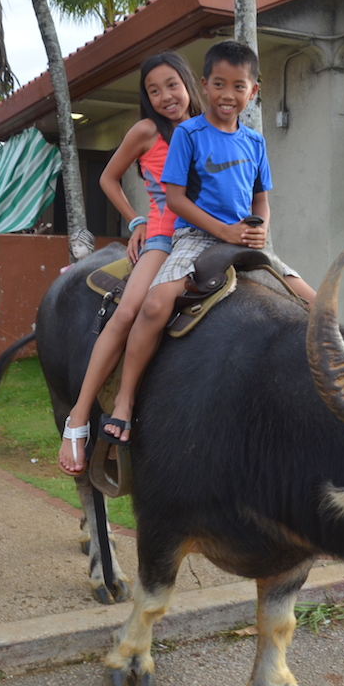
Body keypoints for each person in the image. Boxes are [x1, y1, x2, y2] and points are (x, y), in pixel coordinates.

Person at [103, 40, 315, 444]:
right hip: (194, 236)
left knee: (315, 300)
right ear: (203, 86)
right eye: (219, 84)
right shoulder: (188, 133)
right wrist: (225, 232)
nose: (228, 95)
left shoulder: (254, 142)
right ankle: (125, 399)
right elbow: (177, 198)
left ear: (253, 91)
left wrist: (260, 228)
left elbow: (261, 200)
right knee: (153, 305)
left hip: (242, 235)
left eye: (239, 86)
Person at [58, 50, 204, 476]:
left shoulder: (209, 127)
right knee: (128, 310)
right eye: (153, 91)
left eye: (171, 85)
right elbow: (107, 176)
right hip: (163, 235)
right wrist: (136, 218)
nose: (164, 96)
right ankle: (80, 415)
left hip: (207, 233)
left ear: (187, 82)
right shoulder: (146, 131)